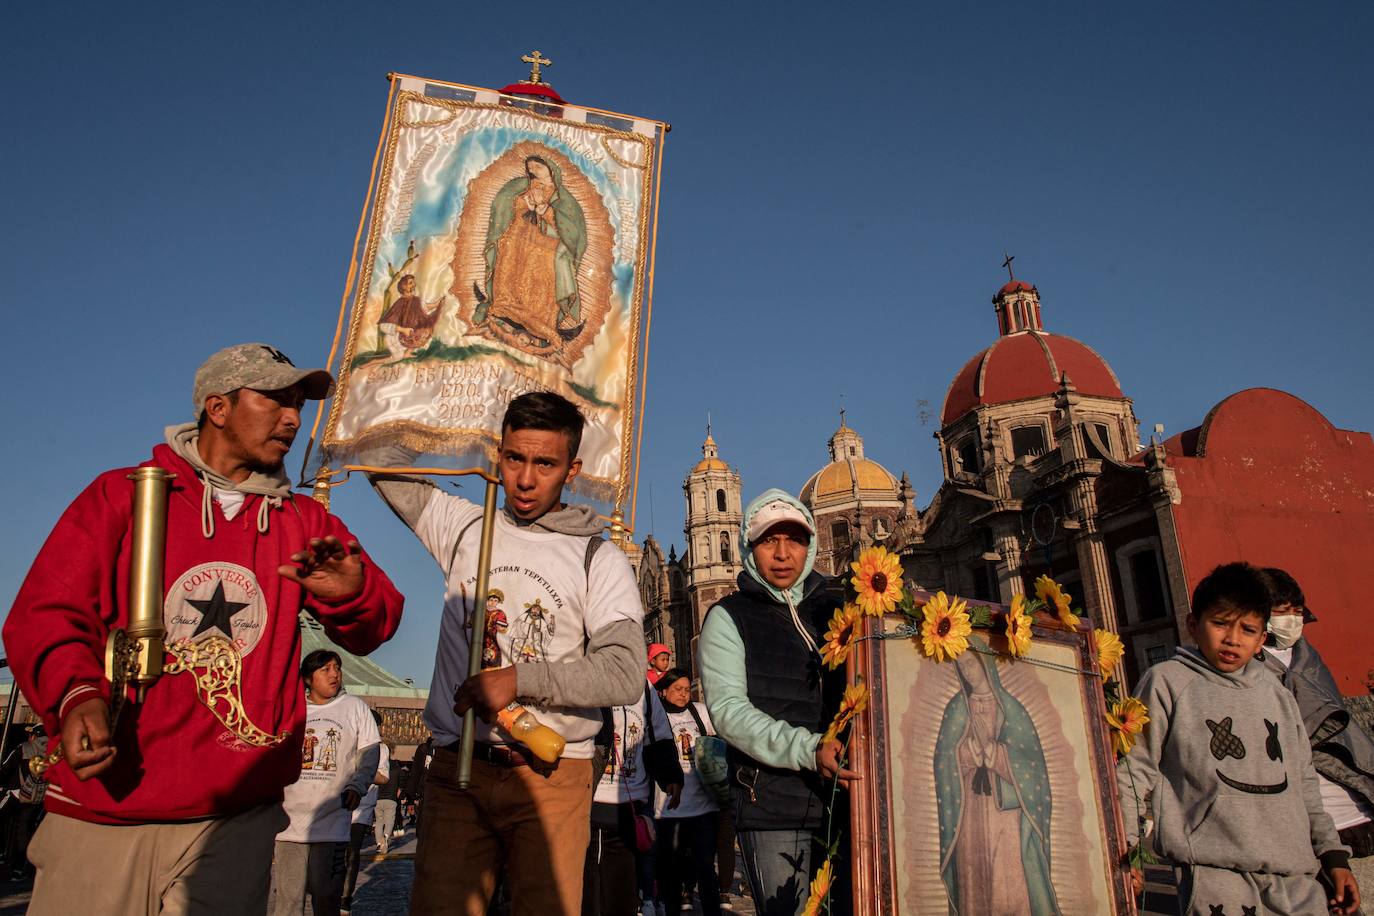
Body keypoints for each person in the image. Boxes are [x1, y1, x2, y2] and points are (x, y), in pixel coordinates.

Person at [2, 342, 403, 916]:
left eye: (299, 405)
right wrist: (76, 695)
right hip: (112, 807)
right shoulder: (122, 496)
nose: (294, 418)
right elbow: (45, 614)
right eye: (276, 400)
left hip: (236, 822)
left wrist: (354, 594)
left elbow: (378, 621)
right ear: (218, 408)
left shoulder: (305, 521)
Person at [366, 390, 644, 915]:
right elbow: (378, 456)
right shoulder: (465, 526)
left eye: (545, 463)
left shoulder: (598, 556)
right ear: (498, 454)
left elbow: (624, 672)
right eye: (514, 457)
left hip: (552, 778)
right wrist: (466, 405)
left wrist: (518, 679)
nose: (524, 478)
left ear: (573, 468)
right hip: (458, 770)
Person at [1117, 562, 1360, 915]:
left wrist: (1334, 857)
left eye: (1247, 629)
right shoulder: (1167, 682)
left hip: (1298, 878)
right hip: (1213, 876)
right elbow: (1135, 772)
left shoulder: (1278, 695)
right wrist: (1124, 852)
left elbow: (1304, 782)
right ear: (1193, 625)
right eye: (1220, 624)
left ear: (1262, 638)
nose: (1233, 639)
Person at [698, 490, 856, 916]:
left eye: (795, 540)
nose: (783, 554)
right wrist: (809, 749)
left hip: (848, 800)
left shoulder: (840, 608)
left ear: (812, 545)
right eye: (770, 541)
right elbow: (730, 713)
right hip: (771, 804)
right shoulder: (728, 617)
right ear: (751, 547)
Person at [1256, 567, 1374, 902]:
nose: (1291, 620)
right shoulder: (1247, 665)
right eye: (1282, 612)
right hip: (1312, 826)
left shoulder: (1309, 657)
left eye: (1297, 612)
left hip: (1358, 808)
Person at [934, 640, 1055, 913]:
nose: (967, 670)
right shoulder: (957, 707)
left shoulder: (1010, 708)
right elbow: (943, 759)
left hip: (1004, 811)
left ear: (984, 662)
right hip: (970, 810)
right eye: (961, 665)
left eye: (971, 663)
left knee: (1007, 876)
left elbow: (1032, 764)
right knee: (972, 870)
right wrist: (969, 752)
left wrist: (993, 751)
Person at [272, 651, 381, 916]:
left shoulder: (354, 707)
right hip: (289, 823)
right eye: (325, 669)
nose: (334, 674)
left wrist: (357, 785)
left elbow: (370, 751)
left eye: (337, 668)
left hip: (332, 821)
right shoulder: (292, 709)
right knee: (288, 899)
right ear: (308, 679)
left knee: (326, 895)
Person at [584, 684, 682, 916]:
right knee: (589, 890)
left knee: (624, 890)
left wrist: (670, 775)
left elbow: (658, 733)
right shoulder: (591, 668)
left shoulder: (643, 686)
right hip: (592, 799)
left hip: (630, 804)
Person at [479, 155, 587, 350]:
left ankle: (539, 321)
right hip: (521, 233)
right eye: (530, 167)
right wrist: (525, 204)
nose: (533, 170)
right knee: (508, 246)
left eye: (538, 166)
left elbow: (570, 229)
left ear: (551, 169)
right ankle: (505, 306)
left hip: (548, 242)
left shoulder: (563, 197)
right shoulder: (525, 186)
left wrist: (544, 210)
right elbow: (509, 205)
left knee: (543, 262)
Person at [653, 668, 722, 916]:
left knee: (705, 867)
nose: (684, 694)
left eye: (686, 689)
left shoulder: (700, 711)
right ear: (663, 691)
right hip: (668, 809)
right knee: (671, 871)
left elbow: (716, 745)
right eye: (677, 690)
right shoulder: (656, 716)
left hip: (703, 805)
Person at [342, 729, 392, 912]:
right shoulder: (345, 739)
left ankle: (345, 898)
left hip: (361, 808)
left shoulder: (380, 749)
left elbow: (384, 776)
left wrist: (362, 771)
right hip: (336, 806)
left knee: (352, 852)